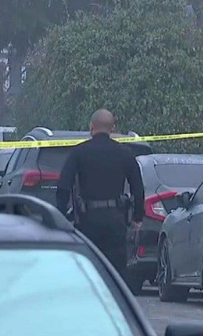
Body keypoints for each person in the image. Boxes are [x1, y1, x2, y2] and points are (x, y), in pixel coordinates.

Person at [56, 109, 144, 279]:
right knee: (116, 273)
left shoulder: (79, 152)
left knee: (88, 270)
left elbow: (63, 186)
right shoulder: (125, 153)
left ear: (91, 126)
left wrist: (62, 216)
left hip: (88, 221)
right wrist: (137, 217)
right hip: (116, 221)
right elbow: (138, 187)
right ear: (113, 128)